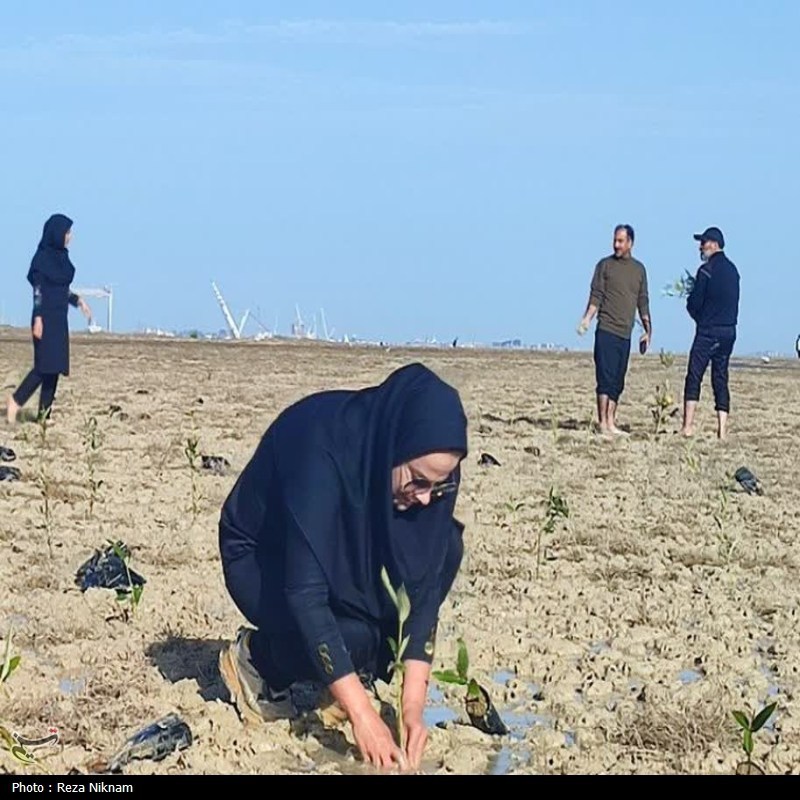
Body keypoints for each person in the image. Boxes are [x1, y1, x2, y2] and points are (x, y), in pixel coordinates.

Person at [217, 363, 468, 773]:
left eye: (439, 486)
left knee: (446, 549)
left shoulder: (429, 482)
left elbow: (421, 596)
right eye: (418, 481)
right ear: (393, 446)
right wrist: (363, 715)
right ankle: (257, 661)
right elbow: (306, 595)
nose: (426, 499)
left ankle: (342, 673)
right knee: (352, 638)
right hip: (265, 557)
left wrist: (412, 710)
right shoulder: (324, 450)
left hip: (344, 552)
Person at [6, 214, 91, 424]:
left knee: (56, 367)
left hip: (59, 319)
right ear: (56, 233)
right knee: (43, 367)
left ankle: (45, 414)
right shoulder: (42, 260)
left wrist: (78, 301)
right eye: (67, 232)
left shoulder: (62, 260)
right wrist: (38, 318)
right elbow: (39, 292)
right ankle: (15, 402)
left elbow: (60, 291)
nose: (70, 237)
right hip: (44, 318)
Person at [577, 224, 651, 435]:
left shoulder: (639, 270)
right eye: (615, 240)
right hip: (606, 330)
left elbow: (643, 302)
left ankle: (611, 421)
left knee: (618, 380)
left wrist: (647, 330)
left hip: (625, 333)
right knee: (605, 377)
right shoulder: (605, 266)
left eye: (620, 241)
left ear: (630, 243)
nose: (616, 245)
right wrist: (586, 319)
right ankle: (602, 423)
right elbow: (596, 296)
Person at [681, 226, 740, 440]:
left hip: (708, 331)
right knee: (721, 377)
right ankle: (722, 430)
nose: (700, 247)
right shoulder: (733, 271)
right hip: (729, 331)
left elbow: (695, 302)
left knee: (694, 375)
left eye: (703, 243)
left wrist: (697, 314)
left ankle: (688, 426)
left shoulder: (706, 270)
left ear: (714, 245)